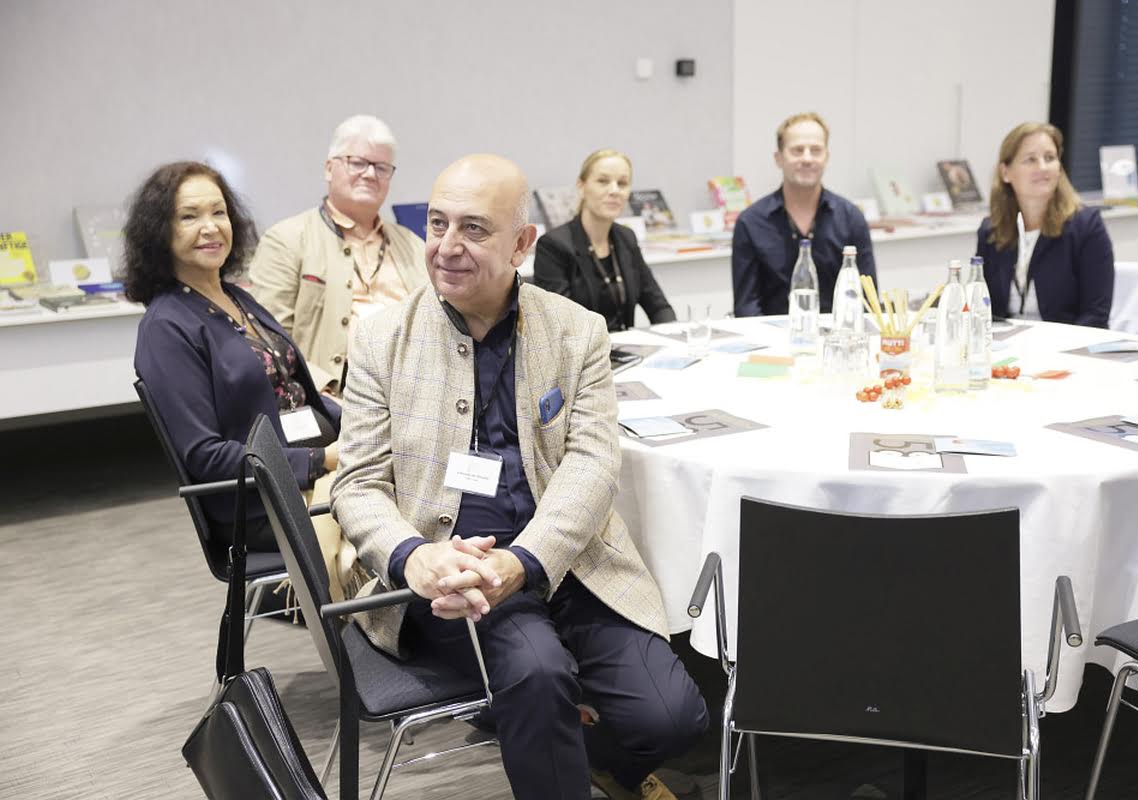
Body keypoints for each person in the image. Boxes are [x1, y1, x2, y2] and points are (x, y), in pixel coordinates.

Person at [331, 154, 708, 800]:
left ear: (522, 243)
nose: (447, 246)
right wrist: (413, 557)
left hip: (567, 562)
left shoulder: (576, 332)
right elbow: (358, 482)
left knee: (674, 719)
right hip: (452, 579)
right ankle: (544, 734)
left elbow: (593, 464)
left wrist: (526, 561)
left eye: (474, 229)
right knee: (537, 675)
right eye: (438, 224)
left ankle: (586, 752)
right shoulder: (381, 339)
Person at [127, 161, 341, 556]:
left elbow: (289, 392)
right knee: (400, 519)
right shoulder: (165, 328)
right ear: (159, 231)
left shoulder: (237, 297)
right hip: (261, 504)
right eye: (189, 216)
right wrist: (321, 460)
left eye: (218, 212)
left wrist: (361, 427)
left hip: (316, 470)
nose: (210, 227)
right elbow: (205, 456)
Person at [249, 114, 426, 396]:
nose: (370, 174)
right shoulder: (287, 240)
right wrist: (324, 390)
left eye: (381, 167)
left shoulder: (414, 245)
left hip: (417, 391)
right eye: (357, 163)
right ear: (329, 168)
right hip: (332, 394)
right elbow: (268, 339)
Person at [732, 112, 876, 316]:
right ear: (779, 158)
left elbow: (868, 300)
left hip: (839, 333)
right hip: (769, 334)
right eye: (797, 150)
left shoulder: (851, 218)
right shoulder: (750, 223)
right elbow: (746, 307)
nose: (807, 159)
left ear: (826, 157)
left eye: (816, 150)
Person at [975, 121, 1114, 327]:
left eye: (1049, 158)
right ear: (1005, 172)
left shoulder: (1086, 226)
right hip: (1003, 343)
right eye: (1030, 160)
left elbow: (1096, 315)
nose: (1042, 167)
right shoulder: (991, 231)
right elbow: (982, 307)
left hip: (1068, 342)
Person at [534, 149, 676, 331]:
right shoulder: (553, 245)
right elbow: (561, 325)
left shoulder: (626, 238)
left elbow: (658, 306)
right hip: (582, 348)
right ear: (581, 187)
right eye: (603, 181)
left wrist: (674, 337)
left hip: (627, 346)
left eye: (622, 183)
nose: (614, 191)